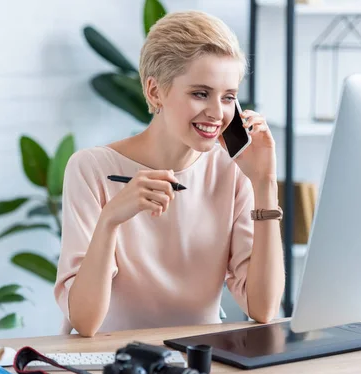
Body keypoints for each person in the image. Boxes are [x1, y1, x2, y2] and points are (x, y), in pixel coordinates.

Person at [54, 10, 285, 337]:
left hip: (200, 363)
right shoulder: (91, 168)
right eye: (200, 93)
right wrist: (111, 220)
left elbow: (263, 308)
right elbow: (86, 322)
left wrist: (264, 184)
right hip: (112, 366)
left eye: (229, 97)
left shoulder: (232, 171)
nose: (217, 113)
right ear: (154, 91)